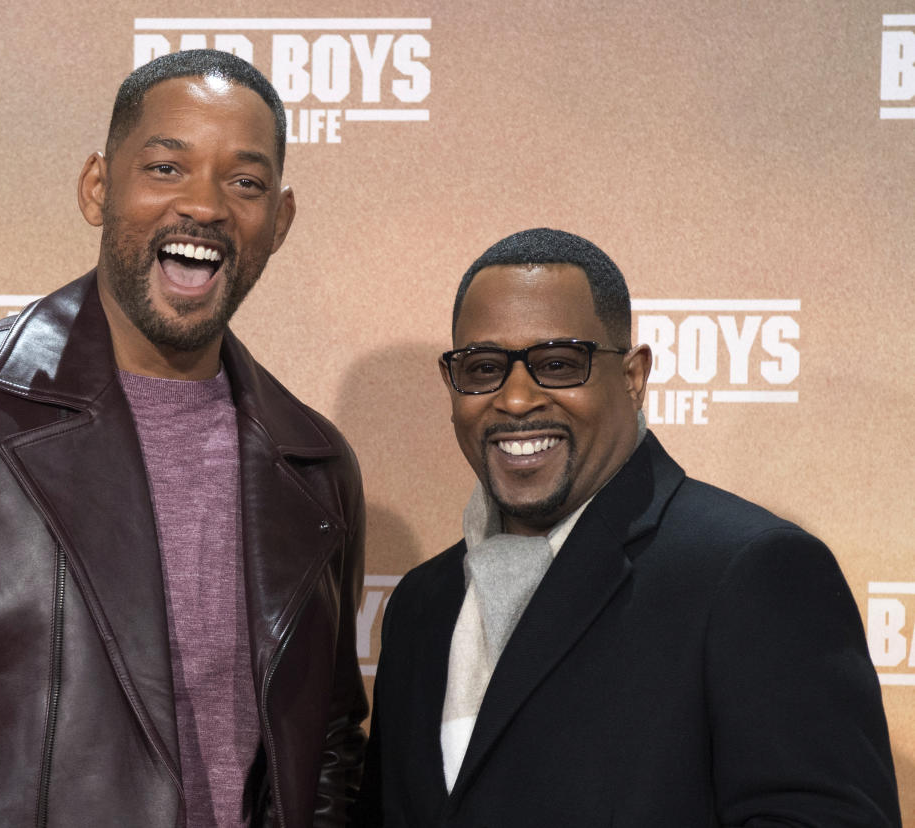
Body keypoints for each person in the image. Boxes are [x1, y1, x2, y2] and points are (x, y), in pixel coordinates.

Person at [0, 49, 367, 827]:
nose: (205, 206)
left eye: (244, 182)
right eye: (165, 168)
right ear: (97, 188)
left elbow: (324, 752)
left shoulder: (313, 466)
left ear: (278, 223)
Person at [353, 228, 899, 826]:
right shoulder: (419, 608)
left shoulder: (751, 574)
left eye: (557, 364)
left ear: (634, 376)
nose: (514, 400)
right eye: (483, 368)